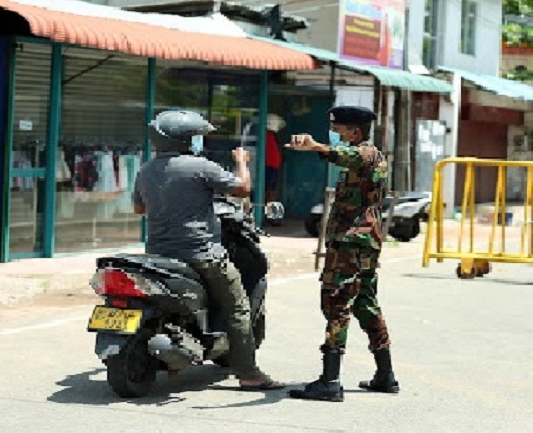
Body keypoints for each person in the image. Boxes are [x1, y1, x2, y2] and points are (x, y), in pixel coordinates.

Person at [133, 110, 284, 390]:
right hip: (201, 254)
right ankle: (249, 373)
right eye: (196, 137)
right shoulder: (200, 166)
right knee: (238, 307)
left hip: (158, 256)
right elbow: (242, 189)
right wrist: (242, 162)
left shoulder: (146, 170)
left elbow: (139, 208)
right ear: (186, 140)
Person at [286, 105, 399, 403]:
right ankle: (385, 375)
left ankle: (330, 381)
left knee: (337, 302)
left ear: (356, 131)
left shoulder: (365, 153)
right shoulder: (365, 156)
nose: (336, 134)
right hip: (363, 241)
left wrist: (316, 147)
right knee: (365, 302)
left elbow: (346, 156)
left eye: (341, 130)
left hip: (351, 240)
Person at [265, 114, 285, 203]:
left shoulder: (272, 135)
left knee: (271, 187)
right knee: (269, 187)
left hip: (272, 164)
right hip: (269, 164)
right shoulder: (267, 135)